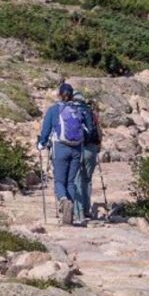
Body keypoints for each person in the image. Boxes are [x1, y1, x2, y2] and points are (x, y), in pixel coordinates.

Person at [36, 81, 95, 225]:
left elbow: (46, 131)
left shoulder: (54, 109)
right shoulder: (80, 110)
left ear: (59, 94)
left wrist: (41, 144)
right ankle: (71, 212)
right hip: (76, 149)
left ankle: (63, 200)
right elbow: (89, 130)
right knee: (71, 182)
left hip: (60, 148)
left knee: (59, 180)